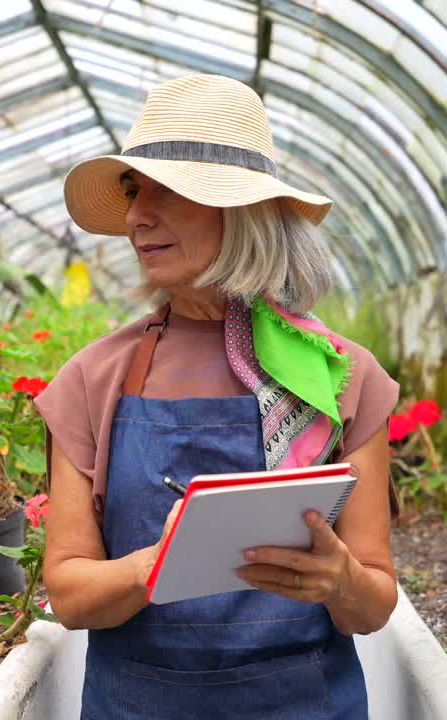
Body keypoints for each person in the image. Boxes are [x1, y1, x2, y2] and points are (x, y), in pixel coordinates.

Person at [32, 74, 402, 720]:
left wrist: (339, 581)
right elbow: (67, 590)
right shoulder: (93, 382)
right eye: (132, 189)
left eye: (166, 191)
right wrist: (160, 565)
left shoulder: (341, 377)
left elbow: (373, 600)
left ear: (241, 209)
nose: (136, 215)